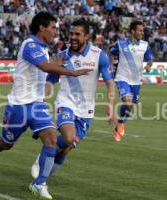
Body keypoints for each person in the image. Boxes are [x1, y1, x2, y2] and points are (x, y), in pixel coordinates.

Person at [0, 12, 92, 200]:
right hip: (18, 105)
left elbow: (48, 75)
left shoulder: (44, 50)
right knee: (7, 143)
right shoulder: (30, 45)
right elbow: (45, 67)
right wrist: (71, 72)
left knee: (51, 139)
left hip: (37, 105)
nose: (55, 31)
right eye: (52, 28)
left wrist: (56, 71)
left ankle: (39, 183)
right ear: (42, 28)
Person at [30, 19, 115, 180]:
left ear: (87, 36)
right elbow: (51, 81)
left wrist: (110, 105)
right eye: (71, 33)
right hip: (66, 103)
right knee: (68, 137)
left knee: (66, 148)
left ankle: (43, 176)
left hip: (86, 109)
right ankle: (43, 160)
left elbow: (110, 83)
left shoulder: (99, 56)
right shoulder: (63, 56)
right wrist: (40, 99)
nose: (73, 37)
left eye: (77, 34)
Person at [109, 20, 154, 142]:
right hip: (122, 78)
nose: (142, 33)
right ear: (133, 31)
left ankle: (121, 123)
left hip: (136, 80)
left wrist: (149, 65)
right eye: (139, 30)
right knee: (127, 102)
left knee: (130, 106)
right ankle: (121, 124)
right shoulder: (121, 44)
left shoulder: (145, 45)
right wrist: (111, 65)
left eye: (142, 30)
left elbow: (150, 58)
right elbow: (111, 52)